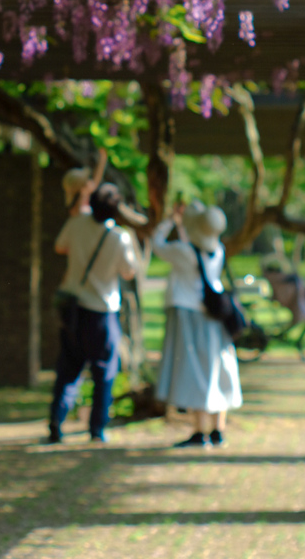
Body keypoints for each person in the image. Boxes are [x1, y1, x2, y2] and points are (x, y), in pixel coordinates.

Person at [49, 182, 146, 444]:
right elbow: (129, 272)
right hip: (101, 312)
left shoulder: (77, 223)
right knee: (104, 372)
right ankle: (96, 429)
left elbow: (60, 247)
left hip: (73, 309)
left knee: (68, 369)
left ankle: (56, 423)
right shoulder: (120, 237)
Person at [153, 200, 242, 447]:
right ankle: (217, 429)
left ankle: (199, 431)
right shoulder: (218, 250)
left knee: (194, 371)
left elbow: (157, 244)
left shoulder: (184, 252)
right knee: (217, 368)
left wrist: (171, 219)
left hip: (188, 315)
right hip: (215, 316)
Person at [61, 147, 108, 217]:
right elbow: (94, 184)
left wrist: (103, 159)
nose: (90, 182)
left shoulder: (75, 207)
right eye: (87, 180)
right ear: (83, 188)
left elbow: (95, 182)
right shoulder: (82, 210)